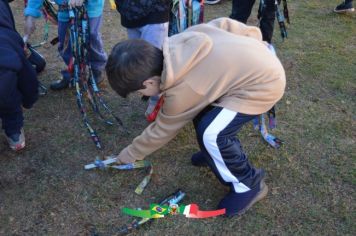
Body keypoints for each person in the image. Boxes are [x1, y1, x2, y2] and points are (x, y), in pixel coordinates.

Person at [106, 18, 286, 216]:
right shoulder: (178, 42)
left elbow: (162, 130)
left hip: (263, 86)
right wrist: (254, 40)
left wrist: (129, 154)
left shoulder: (183, 90)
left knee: (212, 134)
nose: (142, 96)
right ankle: (215, 155)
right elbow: (225, 24)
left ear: (149, 83)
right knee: (203, 114)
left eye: (139, 93)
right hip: (260, 57)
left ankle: (249, 184)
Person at [24, 0, 107, 90]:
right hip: (65, 10)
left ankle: (97, 69)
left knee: (91, 40)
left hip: (90, 8)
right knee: (66, 44)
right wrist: (31, 15)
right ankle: (74, 72)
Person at [114, 0, 171, 118]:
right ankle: (149, 92)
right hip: (129, 12)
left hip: (155, 11)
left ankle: (157, 101)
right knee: (138, 60)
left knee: (154, 62)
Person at [0, 0, 39, 151]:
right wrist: (29, 100)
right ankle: (14, 131)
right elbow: (28, 79)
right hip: (5, 94)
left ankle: (14, 132)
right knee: (9, 99)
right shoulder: (10, 41)